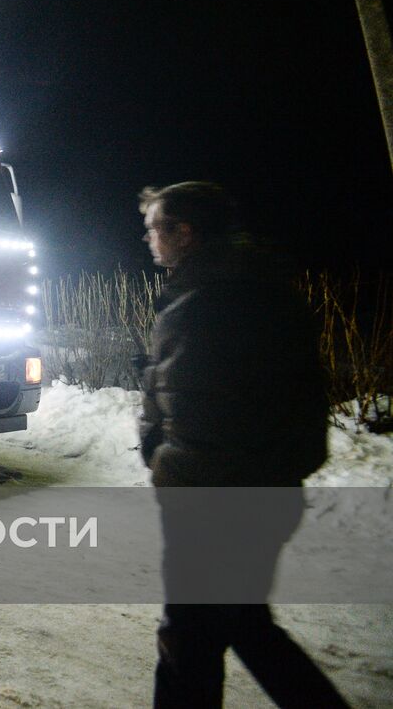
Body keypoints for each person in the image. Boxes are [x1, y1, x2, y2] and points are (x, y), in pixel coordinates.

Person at [137, 182, 347, 708]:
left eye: (156, 227)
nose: (148, 238)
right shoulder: (260, 288)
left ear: (185, 232)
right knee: (242, 625)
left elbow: (201, 417)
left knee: (192, 640)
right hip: (261, 496)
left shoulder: (206, 303)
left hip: (212, 507)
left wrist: (161, 459)